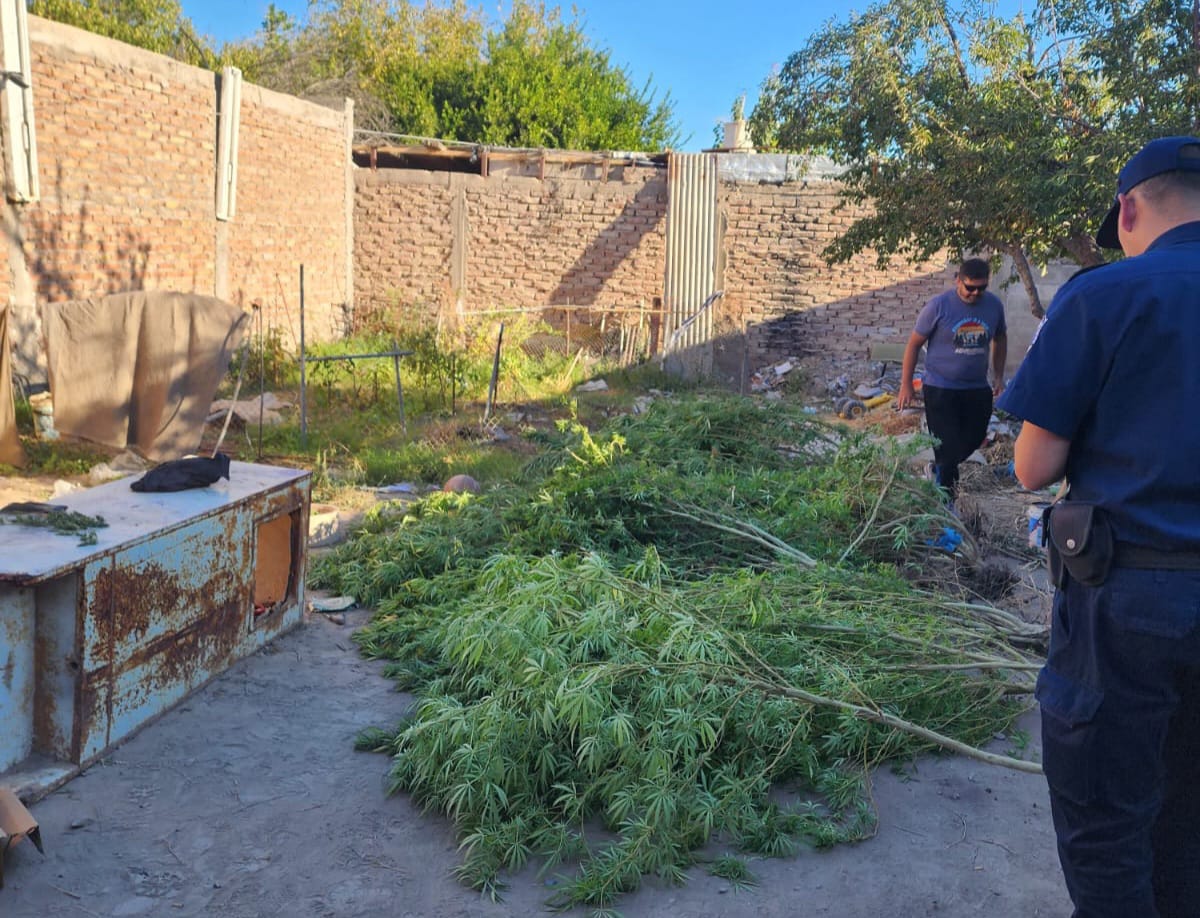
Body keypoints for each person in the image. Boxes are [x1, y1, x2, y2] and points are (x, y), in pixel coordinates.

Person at [997, 135, 1200, 918]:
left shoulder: (1103, 295)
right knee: (1189, 826)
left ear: (1129, 210)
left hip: (1129, 603)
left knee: (1108, 824)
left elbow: (1032, 467)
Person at [896, 257, 1007, 498]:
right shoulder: (938, 306)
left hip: (976, 387)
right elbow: (914, 344)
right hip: (940, 387)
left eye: (981, 288)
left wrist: (998, 376)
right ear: (958, 280)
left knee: (975, 439)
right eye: (970, 287)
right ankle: (946, 499)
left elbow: (1000, 338)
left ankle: (940, 468)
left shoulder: (994, 306)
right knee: (946, 446)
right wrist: (906, 385)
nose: (975, 293)